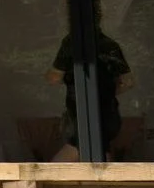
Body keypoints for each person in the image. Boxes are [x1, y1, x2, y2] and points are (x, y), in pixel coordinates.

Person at [47, 13, 133, 158]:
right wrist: (107, 94)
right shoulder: (110, 45)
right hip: (108, 114)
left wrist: (48, 75)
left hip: (82, 116)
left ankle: (46, 174)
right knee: (99, 153)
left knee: (77, 150)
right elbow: (128, 82)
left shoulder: (71, 43)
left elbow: (54, 78)